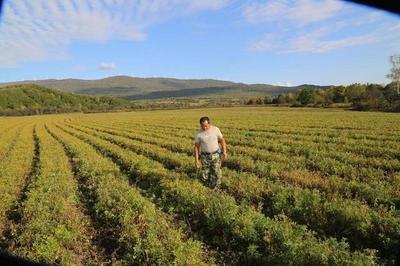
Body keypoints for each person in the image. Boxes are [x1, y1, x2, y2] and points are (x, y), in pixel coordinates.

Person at [194, 116, 227, 189]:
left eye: (206, 126)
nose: (204, 128)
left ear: (209, 124)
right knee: (205, 174)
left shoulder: (215, 129)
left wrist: (224, 152)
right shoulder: (198, 134)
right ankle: (206, 188)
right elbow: (196, 147)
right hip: (205, 156)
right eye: (202, 126)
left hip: (216, 155)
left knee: (216, 173)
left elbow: (222, 140)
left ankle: (216, 188)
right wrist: (196, 160)